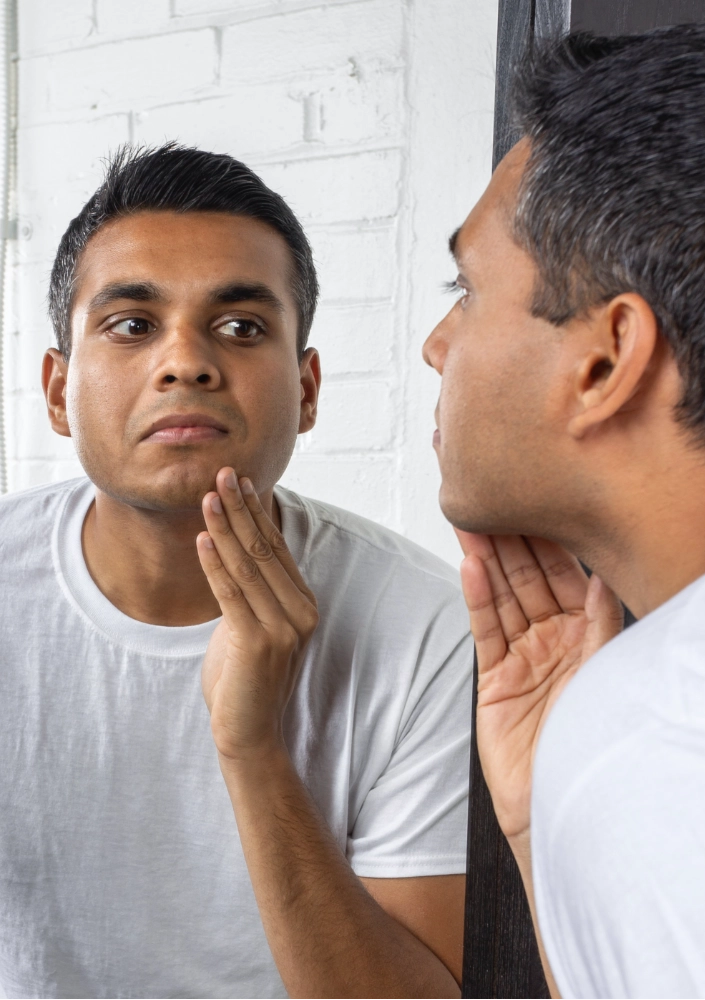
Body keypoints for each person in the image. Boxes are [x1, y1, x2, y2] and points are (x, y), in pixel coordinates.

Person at [0, 144, 472, 1000]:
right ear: (58, 393)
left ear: (308, 389)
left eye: (242, 327)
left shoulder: (427, 629)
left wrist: (252, 748)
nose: (186, 362)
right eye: (132, 325)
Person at [423, 21, 705, 1000]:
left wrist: (613, 760)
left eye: (467, 289)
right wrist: (550, 828)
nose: (437, 344)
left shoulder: (679, 727)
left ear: (605, 362)